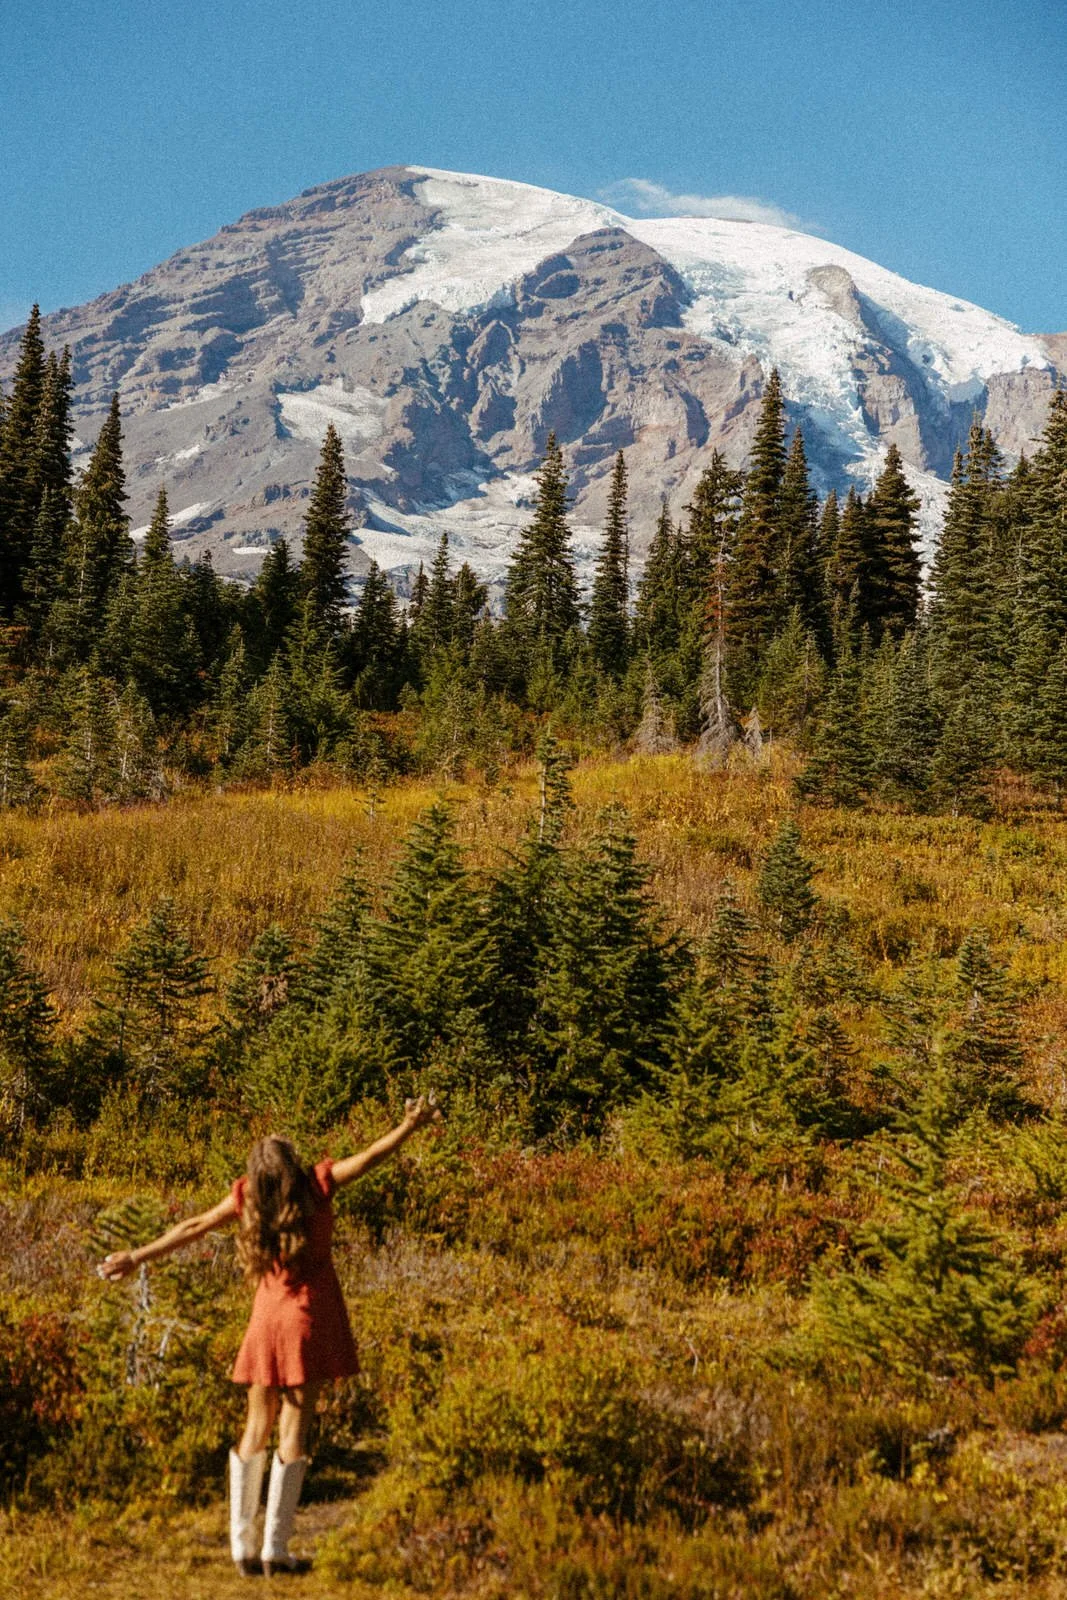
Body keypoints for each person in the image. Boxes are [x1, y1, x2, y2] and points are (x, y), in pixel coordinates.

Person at [98, 1096, 440, 1577]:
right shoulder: (317, 1186)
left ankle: (242, 1547)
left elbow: (194, 1225)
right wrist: (408, 1126)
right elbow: (370, 1158)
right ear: (291, 1166)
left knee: (255, 1428)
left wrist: (137, 1255)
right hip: (307, 1319)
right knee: (293, 1431)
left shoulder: (247, 1197)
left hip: (265, 1320)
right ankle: (275, 1550)